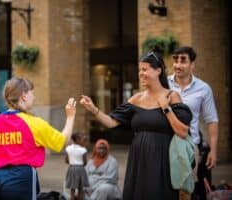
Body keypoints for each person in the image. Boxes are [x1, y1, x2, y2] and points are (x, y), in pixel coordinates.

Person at [80, 52, 193, 199]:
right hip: (139, 160)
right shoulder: (136, 99)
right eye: (140, 70)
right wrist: (94, 109)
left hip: (162, 159)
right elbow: (111, 122)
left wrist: (166, 108)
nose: (141, 73)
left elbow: (183, 131)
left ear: (158, 71)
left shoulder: (172, 96)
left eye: (145, 69)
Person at [0, 77, 76, 200]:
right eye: (32, 93)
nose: (34, 97)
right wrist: (70, 116)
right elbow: (62, 141)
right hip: (21, 178)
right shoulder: (33, 123)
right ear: (24, 95)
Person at [168, 46, 219, 198]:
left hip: (191, 147)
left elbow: (212, 120)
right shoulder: (164, 84)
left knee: (188, 191)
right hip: (166, 145)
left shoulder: (203, 89)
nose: (178, 65)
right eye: (175, 60)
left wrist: (213, 151)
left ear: (192, 64)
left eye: (183, 61)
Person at [65, 132, 89, 200]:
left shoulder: (68, 148)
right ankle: (80, 198)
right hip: (80, 169)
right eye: (81, 138)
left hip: (71, 168)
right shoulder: (83, 150)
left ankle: (72, 198)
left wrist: (72, 162)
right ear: (78, 139)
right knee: (80, 187)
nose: (83, 139)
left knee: (72, 188)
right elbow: (85, 162)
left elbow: (66, 160)